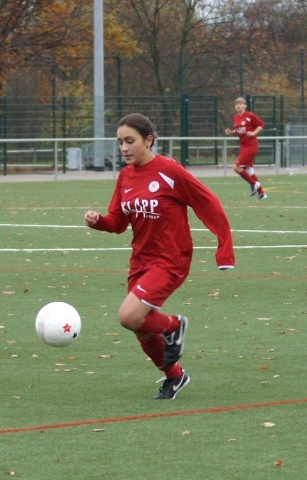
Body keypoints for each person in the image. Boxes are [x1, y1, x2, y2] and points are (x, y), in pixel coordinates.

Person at [84, 113, 235, 399]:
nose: (124, 148)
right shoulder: (125, 176)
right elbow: (118, 222)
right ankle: (175, 377)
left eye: (131, 141)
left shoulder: (170, 171)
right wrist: (98, 221)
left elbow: (209, 203)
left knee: (128, 316)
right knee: (141, 329)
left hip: (170, 260)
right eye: (120, 143)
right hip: (140, 261)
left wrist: (224, 248)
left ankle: (175, 325)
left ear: (149, 140)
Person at [224, 97, 267, 199]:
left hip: (251, 146)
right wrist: (231, 132)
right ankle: (261, 193)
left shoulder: (250, 115)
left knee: (236, 167)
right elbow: (238, 130)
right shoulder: (235, 117)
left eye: (240, 104)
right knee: (249, 170)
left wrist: (253, 133)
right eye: (236, 104)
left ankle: (253, 184)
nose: (238, 106)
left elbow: (261, 125)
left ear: (245, 105)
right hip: (243, 146)